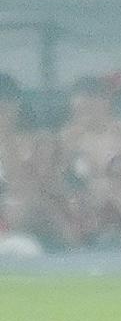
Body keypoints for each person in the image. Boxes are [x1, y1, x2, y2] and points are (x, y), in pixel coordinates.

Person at [58, 76, 121, 245]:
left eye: (88, 109)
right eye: (78, 111)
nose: (82, 116)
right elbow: (60, 182)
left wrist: (110, 197)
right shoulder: (67, 137)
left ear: (104, 103)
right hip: (84, 206)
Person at [0, 74, 66, 256]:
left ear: (17, 106)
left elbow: (24, 188)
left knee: (24, 205)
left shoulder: (36, 141)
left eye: (5, 107)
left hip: (20, 209)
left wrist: (7, 141)